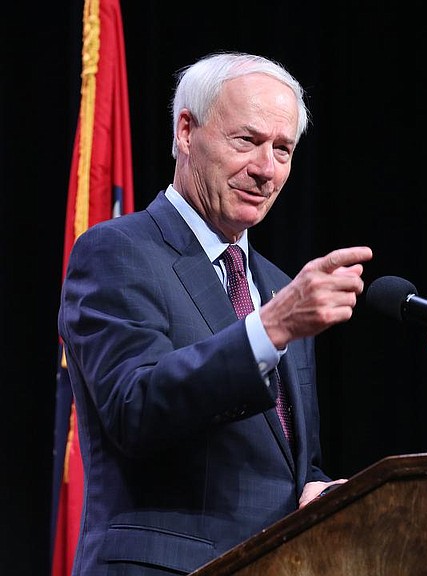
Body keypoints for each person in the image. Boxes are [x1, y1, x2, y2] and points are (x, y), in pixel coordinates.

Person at [58, 51, 373, 575]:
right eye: (246, 141)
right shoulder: (117, 251)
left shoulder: (277, 285)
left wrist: (318, 489)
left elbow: (282, 458)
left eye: (283, 149)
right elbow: (133, 406)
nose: (266, 169)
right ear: (186, 131)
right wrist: (271, 328)